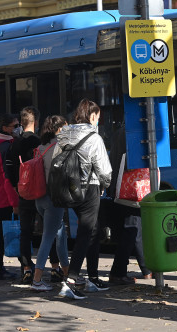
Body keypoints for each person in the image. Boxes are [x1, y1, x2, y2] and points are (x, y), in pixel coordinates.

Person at [56, 99, 112, 300]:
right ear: (92, 116)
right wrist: (106, 184)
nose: (98, 120)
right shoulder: (94, 137)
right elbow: (104, 169)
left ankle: (93, 277)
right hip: (90, 188)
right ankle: (70, 281)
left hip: (69, 189)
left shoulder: (62, 135)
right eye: (97, 116)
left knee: (94, 230)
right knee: (86, 232)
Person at [106, 126, 152, 285]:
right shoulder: (135, 132)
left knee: (132, 231)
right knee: (132, 231)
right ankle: (118, 273)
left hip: (119, 188)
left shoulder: (119, 131)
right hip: (131, 189)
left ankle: (143, 270)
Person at [30, 115, 70, 292]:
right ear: (59, 129)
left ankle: (68, 274)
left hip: (40, 198)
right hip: (54, 199)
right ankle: (37, 279)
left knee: (60, 236)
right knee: (48, 238)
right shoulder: (60, 147)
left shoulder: (40, 147)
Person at [6, 106, 42, 284]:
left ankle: (26, 267)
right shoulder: (39, 142)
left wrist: (16, 186)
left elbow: (9, 168)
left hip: (23, 191)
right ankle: (54, 266)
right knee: (46, 231)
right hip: (40, 192)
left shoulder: (16, 143)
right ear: (35, 122)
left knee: (25, 231)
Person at [0, 113, 20, 281]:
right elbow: (7, 178)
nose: (17, 128)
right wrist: (15, 202)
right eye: (15, 126)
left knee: (0, 232)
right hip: (5, 195)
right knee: (2, 233)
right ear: (6, 128)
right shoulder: (6, 147)